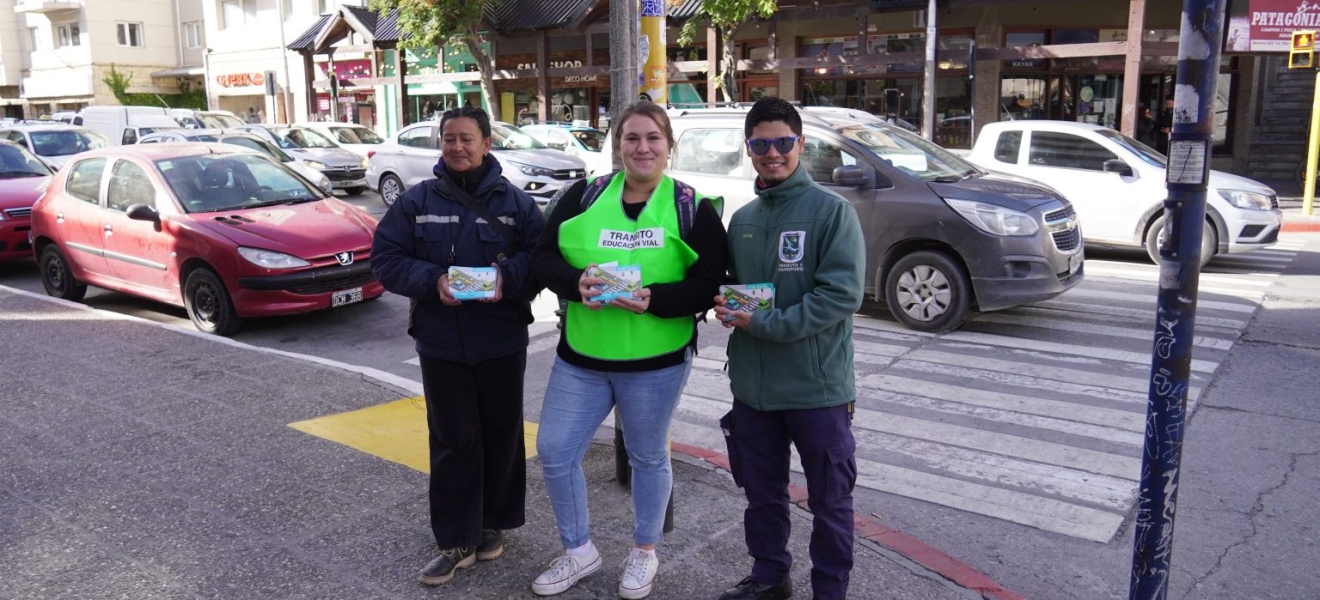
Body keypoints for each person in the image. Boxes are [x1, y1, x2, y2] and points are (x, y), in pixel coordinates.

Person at [529, 101, 728, 599]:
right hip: (584, 358)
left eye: (652, 138)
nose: (642, 148)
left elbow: (710, 283)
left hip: (656, 363)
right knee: (554, 451)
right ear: (617, 146)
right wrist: (576, 283)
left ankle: (644, 552)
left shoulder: (691, 207)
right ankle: (579, 551)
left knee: (647, 457)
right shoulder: (583, 196)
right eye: (631, 138)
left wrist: (655, 299)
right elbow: (541, 256)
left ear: (668, 145)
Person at [369, 106, 546, 587]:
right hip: (441, 341)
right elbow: (384, 259)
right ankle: (455, 538)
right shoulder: (417, 201)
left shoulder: (516, 203)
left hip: (501, 339)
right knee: (453, 438)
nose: (457, 147)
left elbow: (540, 258)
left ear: (487, 144)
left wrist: (506, 280)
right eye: (449, 138)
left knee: (501, 433)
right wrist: (434, 280)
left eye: (467, 138)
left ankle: (492, 523)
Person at [712, 97, 865, 600]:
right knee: (762, 496)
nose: (771, 153)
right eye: (760, 144)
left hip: (816, 387)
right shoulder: (744, 218)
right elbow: (737, 288)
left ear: (800, 144)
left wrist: (764, 322)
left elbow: (840, 295)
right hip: (754, 389)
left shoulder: (832, 212)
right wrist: (726, 305)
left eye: (782, 142)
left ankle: (829, 590)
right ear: (749, 148)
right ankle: (770, 576)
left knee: (830, 501)